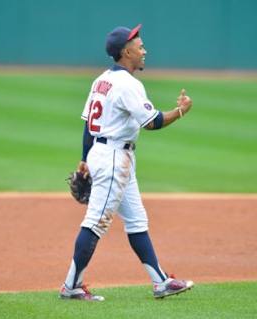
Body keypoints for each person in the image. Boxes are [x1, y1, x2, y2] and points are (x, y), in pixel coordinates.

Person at [60, 24, 194, 301]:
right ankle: (71, 285)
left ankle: (160, 282)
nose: (144, 50)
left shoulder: (101, 80)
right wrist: (181, 111)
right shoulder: (128, 84)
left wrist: (84, 159)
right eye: (140, 46)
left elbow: (88, 125)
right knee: (95, 222)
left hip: (106, 153)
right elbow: (153, 122)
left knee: (136, 221)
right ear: (126, 52)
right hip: (112, 159)